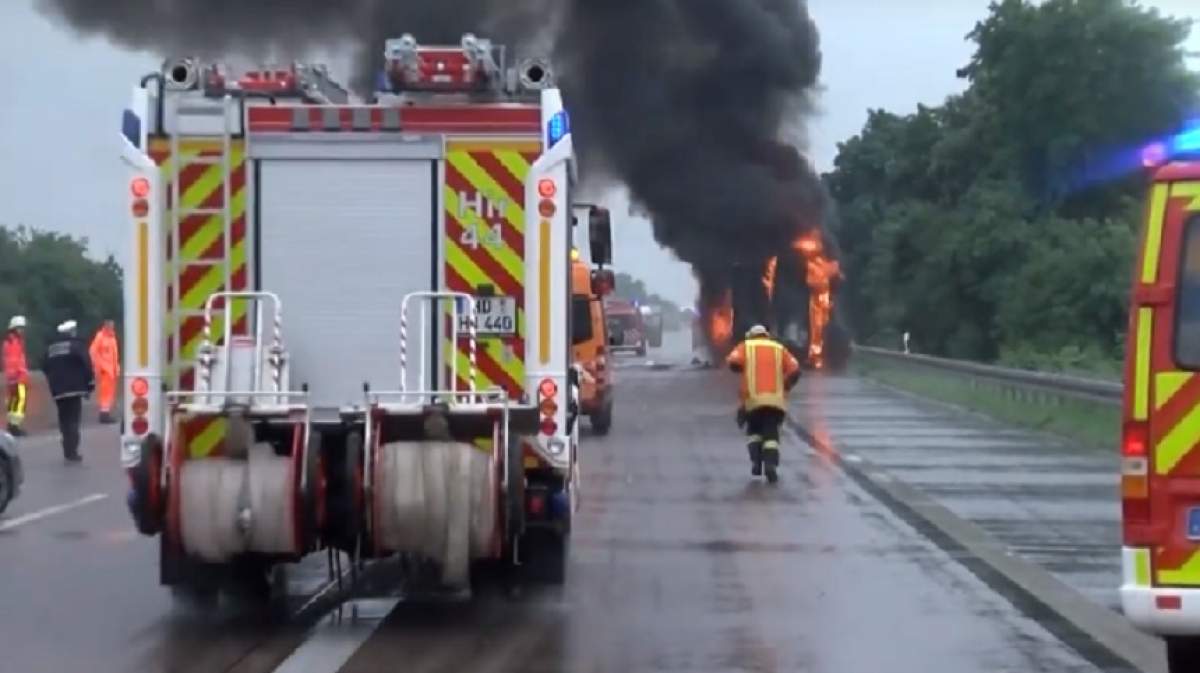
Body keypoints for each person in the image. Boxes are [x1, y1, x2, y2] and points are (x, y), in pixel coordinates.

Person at [726, 324, 801, 483]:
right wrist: (787, 384)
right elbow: (795, 369)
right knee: (771, 435)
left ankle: (756, 462)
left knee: (754, 432)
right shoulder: (779, 348)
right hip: (775, 402)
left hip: (753, 401)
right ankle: (770, 465)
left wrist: (742, 368)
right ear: (766, 335)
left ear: (751, 335)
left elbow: (732, 362)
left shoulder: (745, 346)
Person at [43, 320, 94, 463]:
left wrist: (54, 381)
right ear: (72, 332)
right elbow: (87, 365)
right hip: (74, 389)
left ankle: (66, 449)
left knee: (64, 420)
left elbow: (44, 366)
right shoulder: (77, 346)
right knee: (73, 421)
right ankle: (72, 452)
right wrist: (89, 384)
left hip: (58, 391)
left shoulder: (51, 348)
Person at [89, 320, 120, 424]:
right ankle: (104, 414)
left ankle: (106, 413)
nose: (111, 328)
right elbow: (93, 352)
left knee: (109, 393)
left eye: (112, 326)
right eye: (110, 326)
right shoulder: (100, 337)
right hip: (105, 370)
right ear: (105, 326)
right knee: (105, 393)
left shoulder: (112, 338)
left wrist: (116, 368)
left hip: (111, 371)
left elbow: (115, 355)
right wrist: (99, 366)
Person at [3, 316, 29, 436]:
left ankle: (13, 425)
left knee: (15, 401)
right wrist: (15, 376)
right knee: (19, 401)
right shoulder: (13, 342)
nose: (22, 330)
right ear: (13, 328)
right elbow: (13, 361)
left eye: (22, 328)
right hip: (17, 377)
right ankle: (14, 426)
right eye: (19, 328)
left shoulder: (13, 341)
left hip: (17, 377)